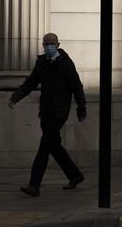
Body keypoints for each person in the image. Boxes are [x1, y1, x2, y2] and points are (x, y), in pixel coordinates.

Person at [9, 32, 86, 197]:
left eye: (52, 43)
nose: (49, 46)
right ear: (43, 45)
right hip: (45, 112)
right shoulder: (41, 63)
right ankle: (75, 175)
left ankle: (34, 185)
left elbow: (77, 87)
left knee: (44, 147)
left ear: (58, 44)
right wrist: (16, 97)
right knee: (55, 147)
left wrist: (81, 108)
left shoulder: (66, 63)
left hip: (59, 112)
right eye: (46, 43)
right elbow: (30, 83)